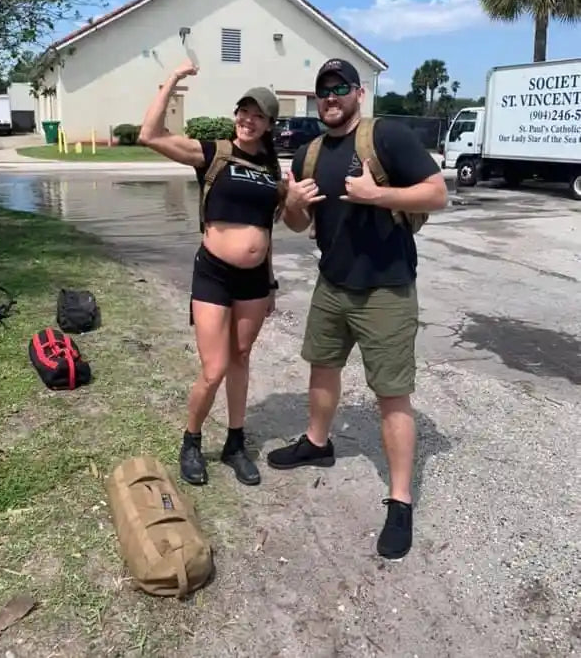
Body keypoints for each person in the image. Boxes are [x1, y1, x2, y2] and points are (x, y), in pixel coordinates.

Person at [267, 58, 448, 560]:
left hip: (387, 288)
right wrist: (294, 203)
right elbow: (298, 224)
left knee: (391, 393)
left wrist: (376, 194)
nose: (331, 97)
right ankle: (317, 442)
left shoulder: (386, 136)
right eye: (323, 90)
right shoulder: (309, 152)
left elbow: (437, 194)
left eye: (340, 87)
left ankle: (400, 500)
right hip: (332, 283)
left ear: (358, 93)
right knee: (322, 366)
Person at [139, 59, 283, 488]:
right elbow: (150, 135)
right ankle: (192, 440)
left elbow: (267, 231)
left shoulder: (272, 168)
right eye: (244, 112)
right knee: (214, 368)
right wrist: (173, 79)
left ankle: (235, 444)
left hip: (255, 282)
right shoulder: (214, 152)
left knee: (241, 357)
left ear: (269, 124)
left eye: (258, 115)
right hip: (214, 275)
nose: (248, 120)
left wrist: (271, 282)